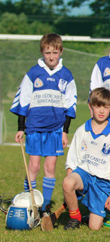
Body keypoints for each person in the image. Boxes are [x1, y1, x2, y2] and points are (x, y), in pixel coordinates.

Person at [10, 33, 77, 213]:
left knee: (50, 167)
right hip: (34, 128)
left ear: (61, 52)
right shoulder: (33, 73)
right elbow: (23, 100)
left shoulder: (66, 75)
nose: (51, 57)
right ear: (42, 52)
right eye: (47, 53)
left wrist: (65, 131)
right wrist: (20, 128)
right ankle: (29, 202)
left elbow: (69, 104)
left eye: (55, 52)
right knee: (33, 166)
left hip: (55, 129)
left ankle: (45, 206)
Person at [63, 88, 110, 230]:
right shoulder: (82, 130)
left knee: (94, 227)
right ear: (90, 106)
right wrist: (69, 188)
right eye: (97, 106)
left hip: (103, 182)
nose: (101, 111)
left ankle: (107, 212)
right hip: (84, 174)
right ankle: (75, 217)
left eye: (105, 107)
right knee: (67, 182)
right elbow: (71, 161)